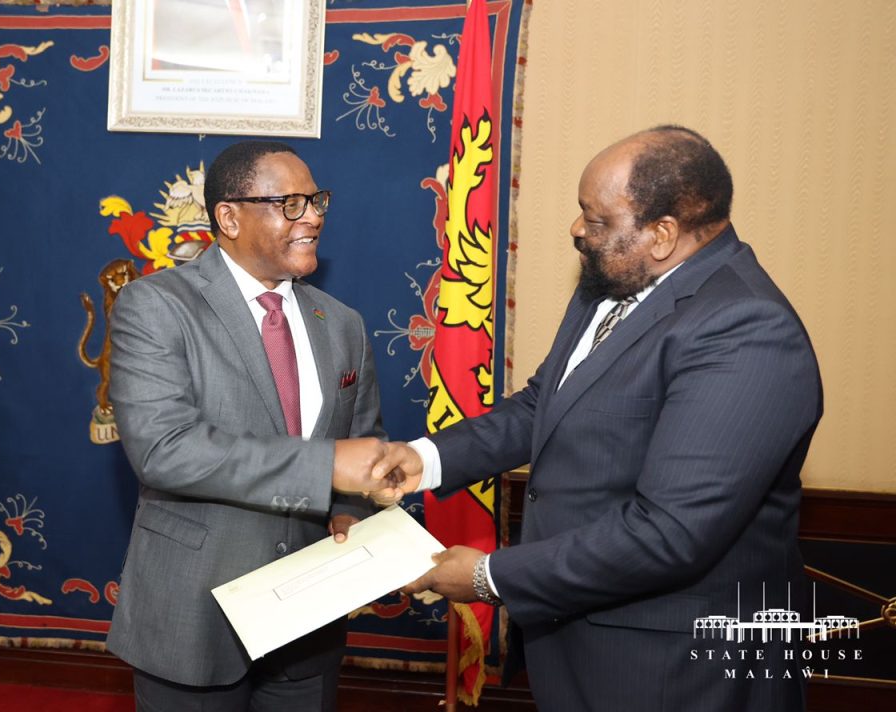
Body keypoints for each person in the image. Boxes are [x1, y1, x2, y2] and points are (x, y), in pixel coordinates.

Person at [373, 126, 823, 711]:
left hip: (673, 667)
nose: (577, 230)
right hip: (578, 635)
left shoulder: (746, 329)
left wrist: (491, 577)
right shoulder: (614, 281)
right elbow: (544, 403)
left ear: (662, 234)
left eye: (596, 218)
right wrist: (425, 460)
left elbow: (670, 533)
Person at [106, 140, 391, 711]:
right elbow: (166, 450)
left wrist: (352, 510)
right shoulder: (155, 306)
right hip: (195, 615)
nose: (311, 216)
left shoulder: (343, 325)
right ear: (228, 217)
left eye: (315, 201)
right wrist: (326, 467)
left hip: (309, 623)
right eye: (289, 203)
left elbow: (365, 443)